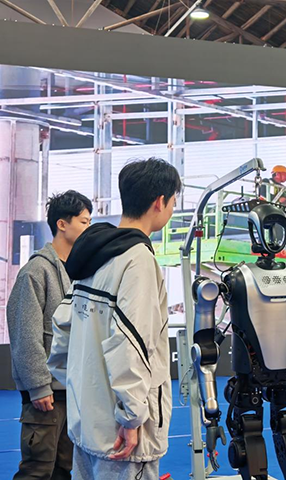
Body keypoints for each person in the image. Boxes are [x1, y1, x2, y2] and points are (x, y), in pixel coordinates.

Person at [47, 158, 181, 479]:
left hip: (86, 420)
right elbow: (131, 344)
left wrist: (83, 392)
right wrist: (131, 417)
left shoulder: (94, 252)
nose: (173, 208)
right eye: (173, 201)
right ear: (159, 202)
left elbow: (62, 329)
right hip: (122, 436)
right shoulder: (137, 259)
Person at [7, 190, 93, 480]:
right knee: (38, 470)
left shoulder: (78, 271)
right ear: (62, 224)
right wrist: (38, 386)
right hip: (47, 393)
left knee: (63, 470)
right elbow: (25, 334)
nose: (88, 228)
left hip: (72, 390)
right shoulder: (36, 271)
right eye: (84, 221)